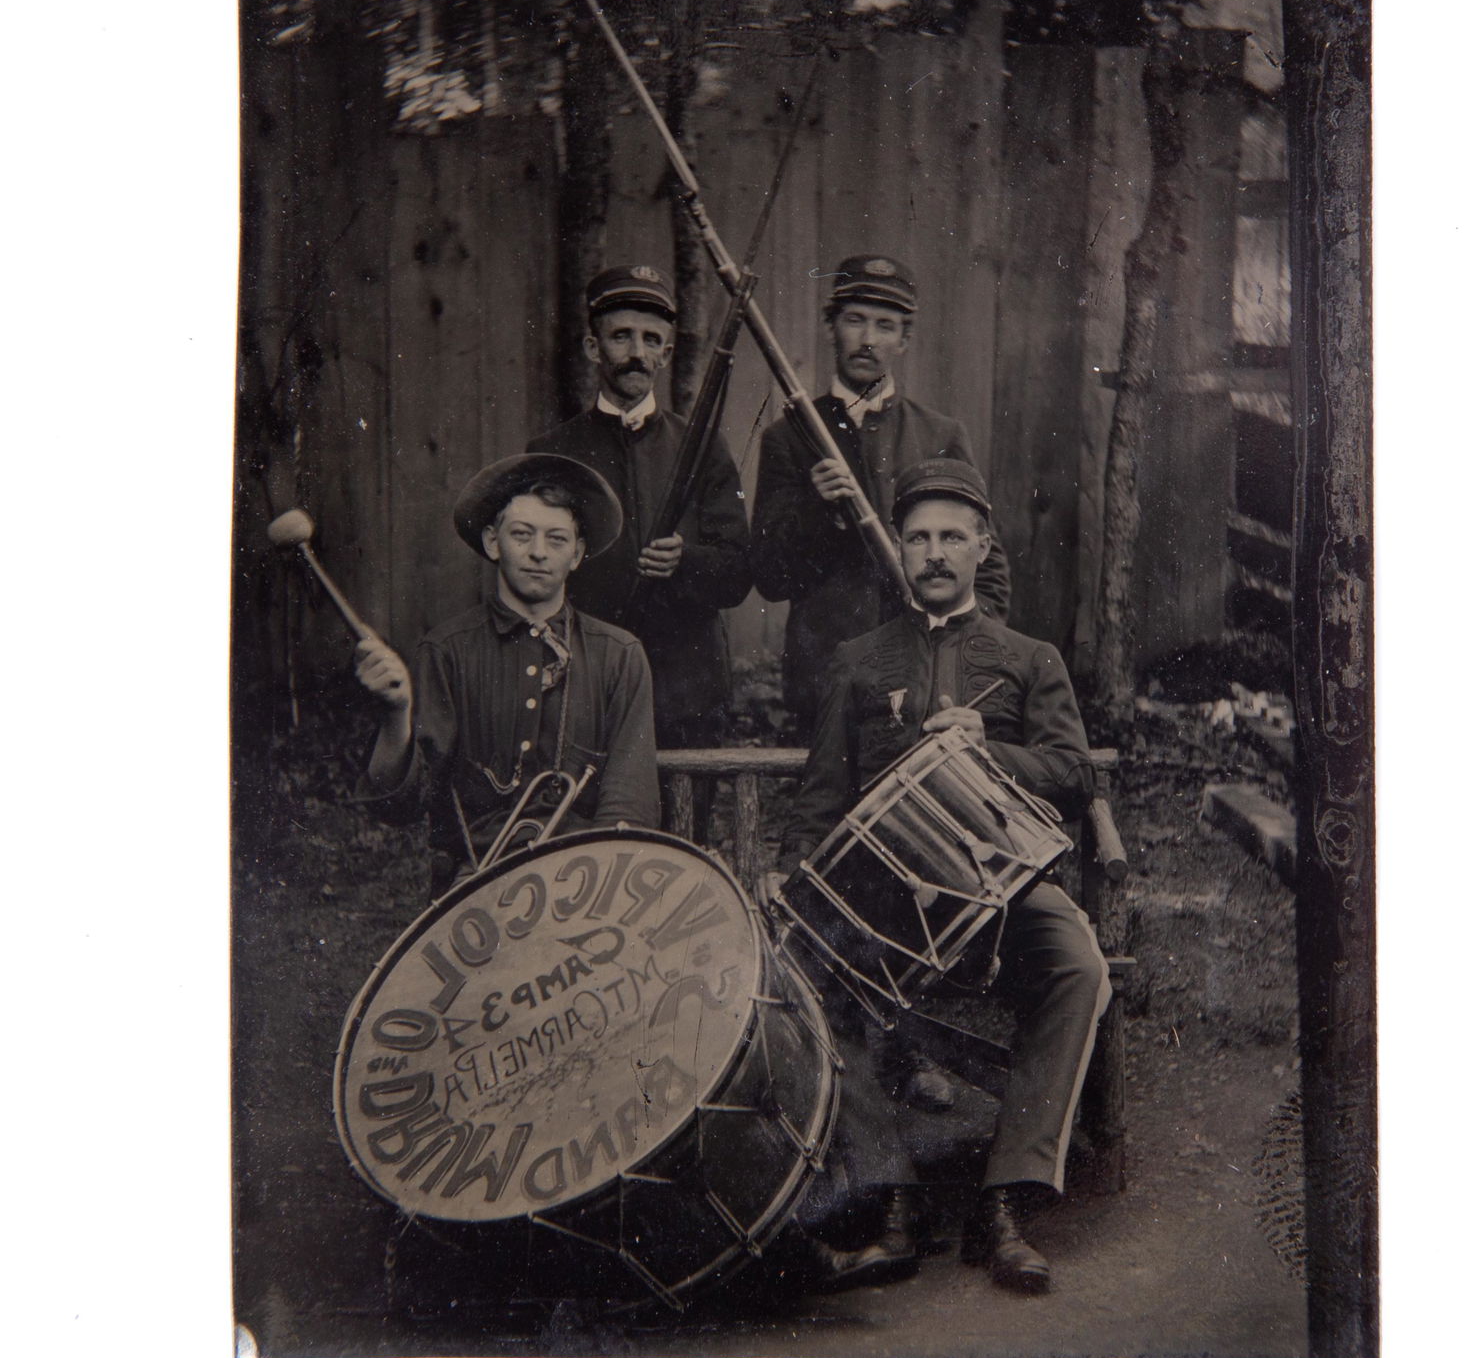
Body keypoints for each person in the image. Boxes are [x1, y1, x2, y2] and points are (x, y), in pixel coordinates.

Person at [777, 458, 1111, 1295]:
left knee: (1079, 963)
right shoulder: (859, 660)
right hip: (887, 901)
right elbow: (821, 795)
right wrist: (793, 888)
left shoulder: (1028, 658)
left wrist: (988, 751)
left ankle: (1004, 1202)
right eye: (919, 536)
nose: (934, 553)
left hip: (1002, 887)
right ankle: (894, 1197)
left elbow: (1074, 773)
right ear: (899, 545)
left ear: (981, 546)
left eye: (951, 537)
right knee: (809, 972)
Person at [355, 452, 659, 897]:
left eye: (557, 540)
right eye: (522, 535)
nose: (538, 552)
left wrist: (599, 894)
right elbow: (400, 806)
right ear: (493, 542)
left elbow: (628, 804)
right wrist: (396, 714)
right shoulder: (447, 650)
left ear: (576, 554)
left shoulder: (620, 655)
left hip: (588, 889)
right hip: (475, 889)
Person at [751, 253, 1010, 739]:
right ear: (831, 328)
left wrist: (964, 646)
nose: (868, 340)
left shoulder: (940, 433)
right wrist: (816, 508)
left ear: (904, 340)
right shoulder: (788, 437)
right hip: (825, 681)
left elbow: (988, 566)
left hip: (924, 679)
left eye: (885, 326)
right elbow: (768, 574)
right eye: (854, 320)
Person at [528, 264, 751, 747]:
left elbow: (737, 571)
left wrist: (685, 560)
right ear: (593, 347)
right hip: (588, 685)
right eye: (621, 337)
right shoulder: (552, 452)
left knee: (683, 819)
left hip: (688, 689)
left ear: (667, 354)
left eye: (651, 340)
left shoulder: (705, 447)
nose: (636, 354)